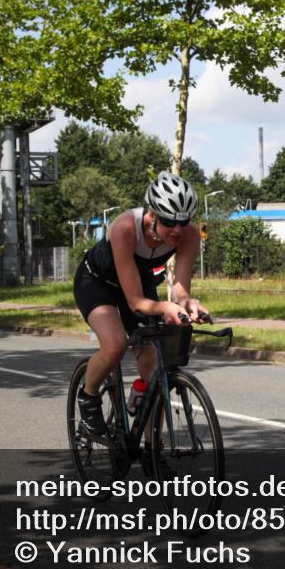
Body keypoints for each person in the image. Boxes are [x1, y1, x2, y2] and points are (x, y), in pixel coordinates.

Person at [72, 171, 209, 435]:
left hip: (137, 281)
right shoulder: (126, 228)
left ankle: (151, 449)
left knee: (152, 357)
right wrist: (166, 307)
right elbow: (135, 302)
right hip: (97, 283)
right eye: (170, 221)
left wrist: (187, 303)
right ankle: (88, 399)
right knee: (115, 346)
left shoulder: (190, 235)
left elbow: (179, 288)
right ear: (152, 214)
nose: (178, 230)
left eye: (184, 221)